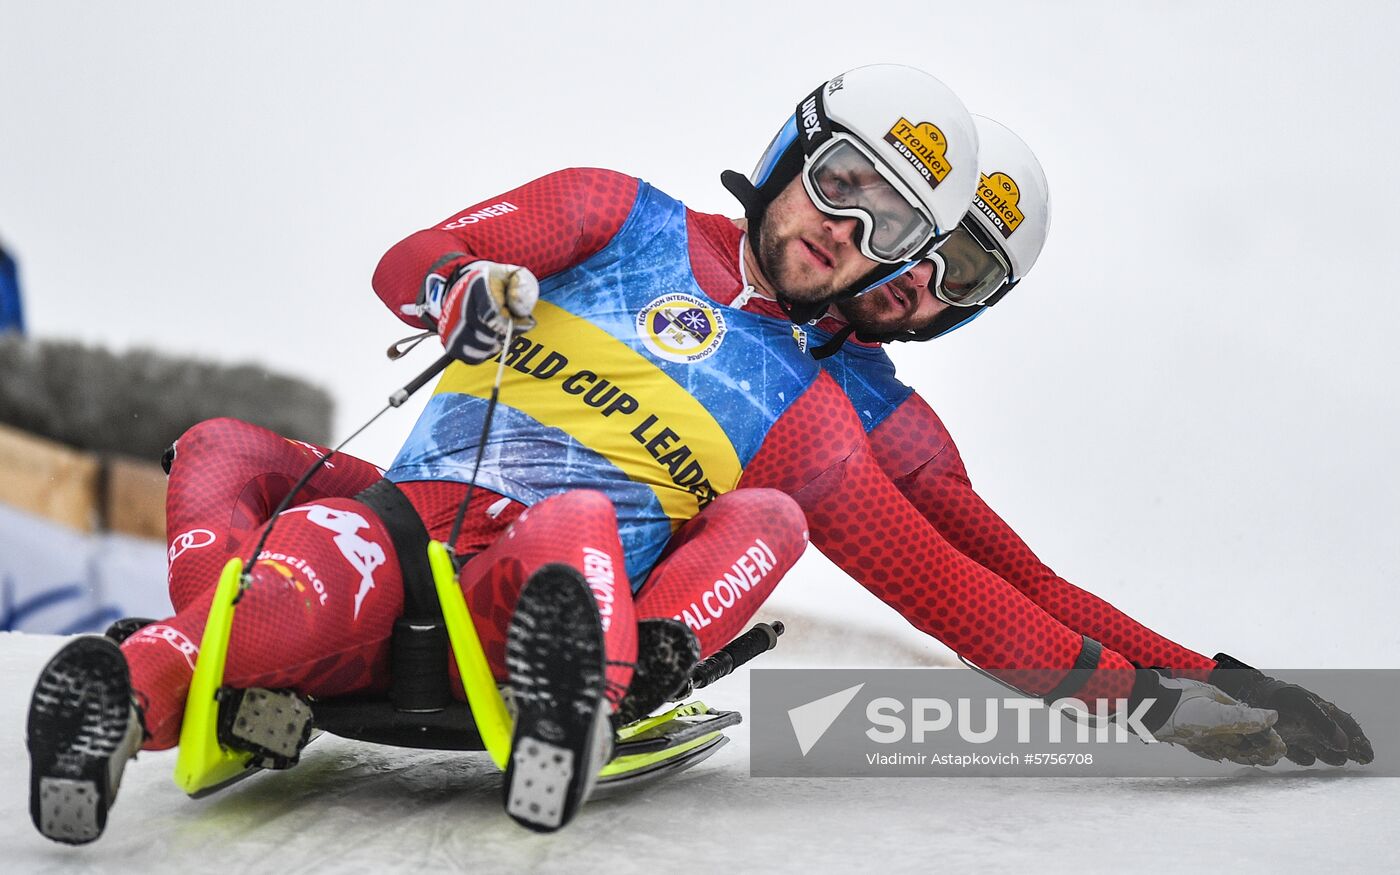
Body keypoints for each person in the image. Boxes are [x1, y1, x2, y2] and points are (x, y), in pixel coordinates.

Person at [26, 64, 1280, 847]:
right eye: (839, 186)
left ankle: (586, 681)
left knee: (624, 525)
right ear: (789, 155)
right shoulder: (610, 213)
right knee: (290, 531)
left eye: (897, 237)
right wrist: (464, 285)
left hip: (566, 570)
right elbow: (408, 261)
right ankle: (132, 690)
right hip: (415, 522)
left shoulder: (829, 406)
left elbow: (978, 587)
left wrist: (1180, 698)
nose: (847, 239)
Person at [797, 115, 1370, 767]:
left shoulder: (887, 421)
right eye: (923, 235)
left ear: (971, 305)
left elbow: (1011, 585)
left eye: (958, 270)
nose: (919, 276)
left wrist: (1222, 683)